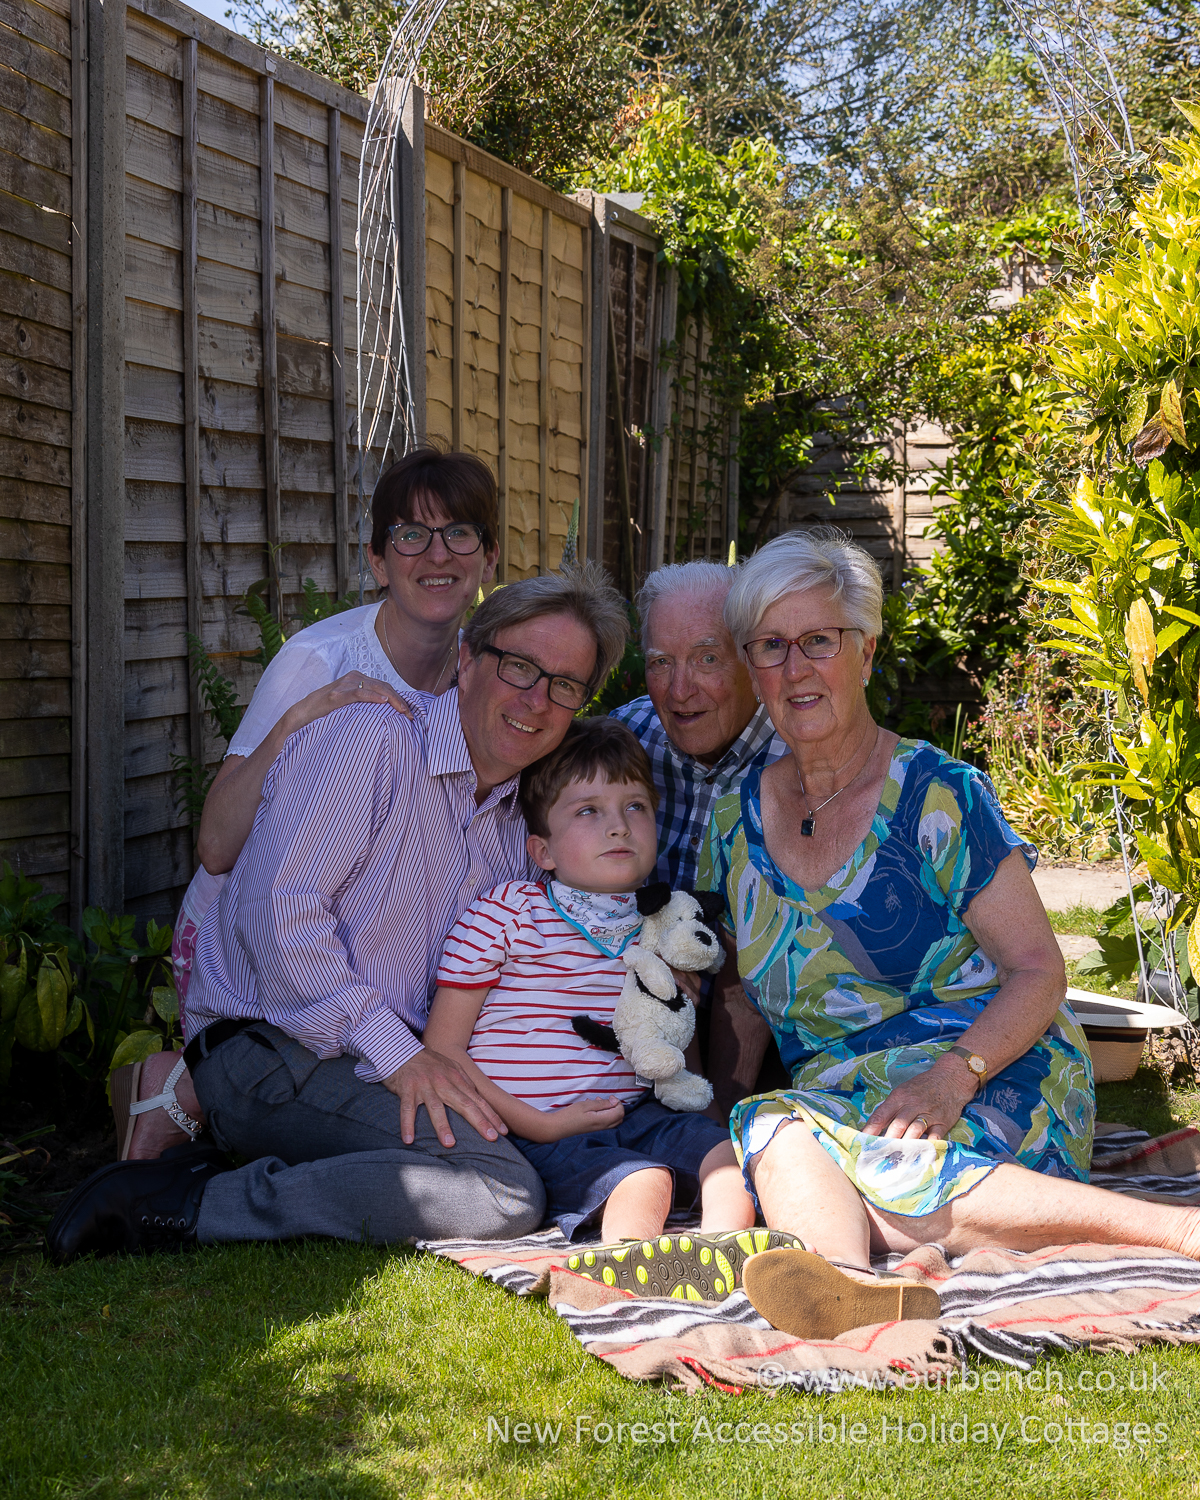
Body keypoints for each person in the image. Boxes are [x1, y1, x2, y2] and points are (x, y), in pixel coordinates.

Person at [698, 526, 1200, 1340]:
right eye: (771, 646)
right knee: (770, 1128)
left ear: (865, 650)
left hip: (988, 1059)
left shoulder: (938, 794)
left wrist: (951, 1078)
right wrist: (717, 1114)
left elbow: (1038, 970)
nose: (795, 669)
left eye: (819, 640)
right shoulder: (734, 819)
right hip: (842, 1097)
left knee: (883, 1173)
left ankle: (1174, 1231)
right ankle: (846, 1287)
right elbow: (745, 998)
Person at [47, 565, 630, 1263]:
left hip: (376, 1061)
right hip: (266, 1047)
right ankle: (184, 1203)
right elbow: (278, 917)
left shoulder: (519, 822)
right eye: (520, 667)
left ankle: (217, 1169)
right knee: (502, 1188)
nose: (536, 700)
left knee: (521, 1158)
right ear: (469, 660)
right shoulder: (372, 740)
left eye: (564, 685)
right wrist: (402, 1057)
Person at [124, 447, 500, 1159]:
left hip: (378, 930)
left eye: (460, 533)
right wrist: (298, 723)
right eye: (411, 535)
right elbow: (217, 846)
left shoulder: (482, 674)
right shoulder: (320, 660)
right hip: (266, 935)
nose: (437, 553)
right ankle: (191, 1087)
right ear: (377, 560)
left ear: (489, 556)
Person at [424, 718, 801, 1298]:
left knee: (727, 1153)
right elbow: (444, 1050)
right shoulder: (507, 914)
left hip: (636, 1112)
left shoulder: (659, 926)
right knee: (643, 1180)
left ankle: (722, 1257)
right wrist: (540, 1124)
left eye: (634, 807)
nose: (618, 827)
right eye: (587, 812)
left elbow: (677, 1030)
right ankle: (628, 1274)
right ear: (541, 850)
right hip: (531, 1127)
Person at [611, 561, 788, 892]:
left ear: (753, 660)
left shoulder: (804, 760)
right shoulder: (625, 737)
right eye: (661, 662)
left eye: (707, 659)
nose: (679, 691)